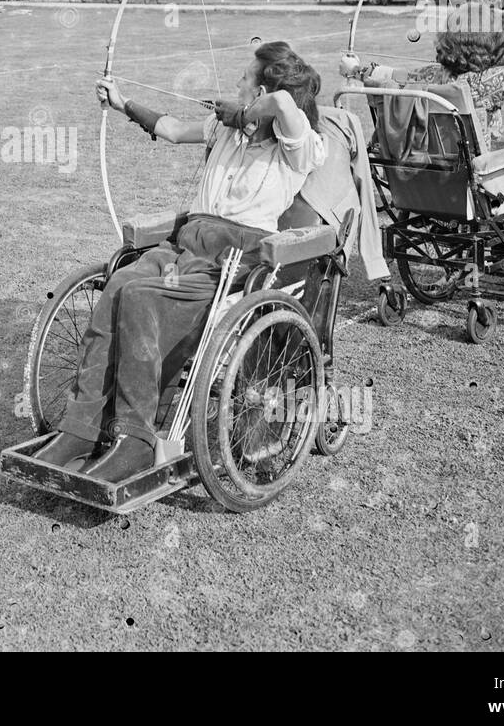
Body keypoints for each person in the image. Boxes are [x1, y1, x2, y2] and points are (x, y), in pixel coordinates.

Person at [33, 42, 328, 482]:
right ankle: (81, 426)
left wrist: (245, 115)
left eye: (245, 78)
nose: (236, 82)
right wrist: (123, 104)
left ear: (262, 88)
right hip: (187, 242)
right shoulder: (223, 128)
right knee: (119, 286)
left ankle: (135, 440)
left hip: (235, 259)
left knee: (141, 298)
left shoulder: (300, 147)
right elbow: (170, 129)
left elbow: (284, 103)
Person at [341, 8, 504, 143]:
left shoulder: (430, 75)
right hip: (475, 178)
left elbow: (387, 74)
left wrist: (354, 69)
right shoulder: (485, 81)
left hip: (425, 171)